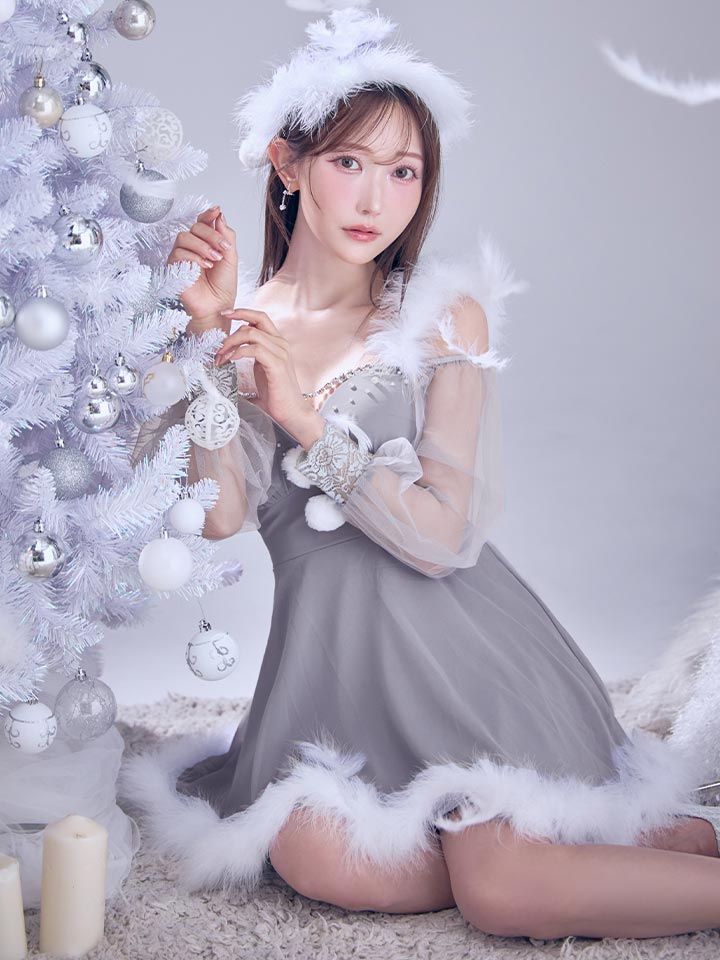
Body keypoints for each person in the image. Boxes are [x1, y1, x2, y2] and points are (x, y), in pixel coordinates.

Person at [121, 6, 720, 941]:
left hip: (465, 661)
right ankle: (634, 845)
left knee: (501, 894)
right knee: (311, 852)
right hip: (331, 675)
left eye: (404, 172)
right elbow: (221, 515)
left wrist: (302, 415)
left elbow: (442, 537)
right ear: (287, 164)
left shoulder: (439, 315)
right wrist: (206, 346)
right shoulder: (247, 329)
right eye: (349, 162)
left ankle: (554, 857)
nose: (377, 199)